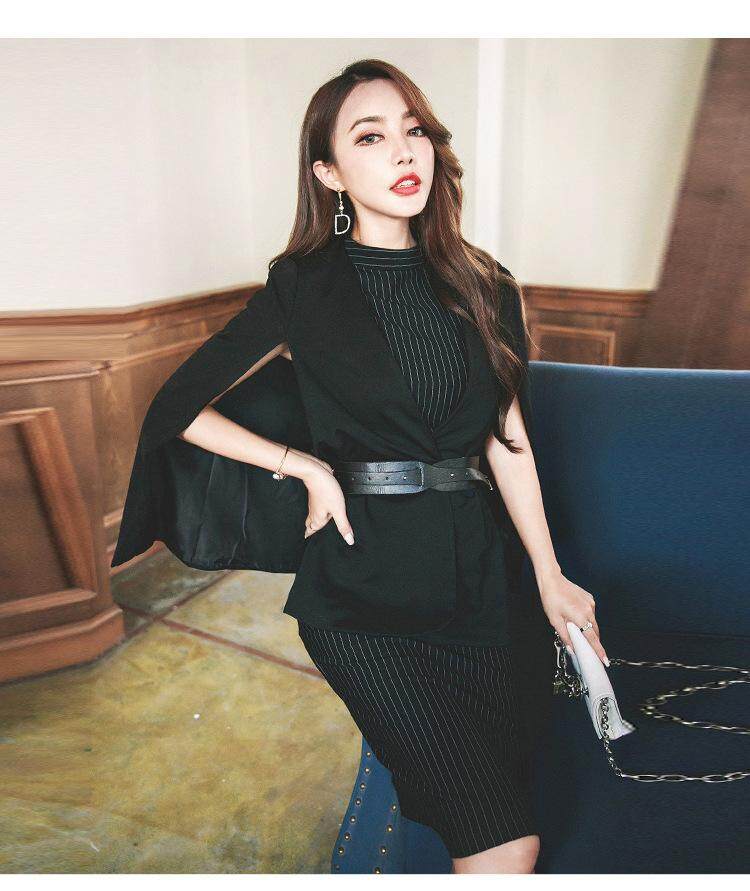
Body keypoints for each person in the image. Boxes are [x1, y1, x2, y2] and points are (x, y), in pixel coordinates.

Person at [112, 58, 609, 875]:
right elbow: (176, 409)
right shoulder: (302, 286)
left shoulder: (487, 284)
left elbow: (507, 438)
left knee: (504, 800)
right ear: (330, 173)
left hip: (483, 584)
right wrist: (306, 466)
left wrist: (551, 577)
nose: (404, 151)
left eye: (414, 130)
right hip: (360, 595)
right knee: (505, 843)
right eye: (370, 137)